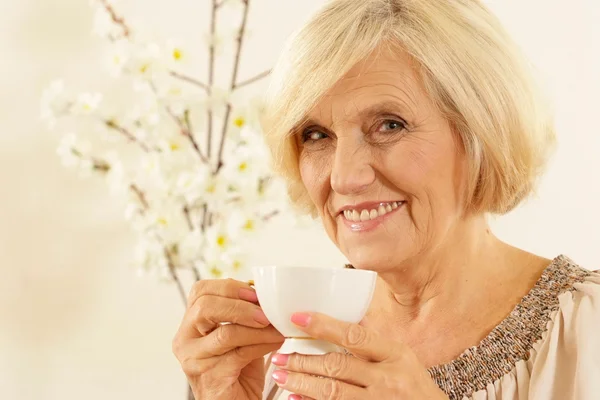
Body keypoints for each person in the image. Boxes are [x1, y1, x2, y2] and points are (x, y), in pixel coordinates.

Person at [172, 0, 600, 399]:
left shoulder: (588, 329)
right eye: (316, 135)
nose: (344, 176)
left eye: (389, 125)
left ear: (481, 134)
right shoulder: (286, 348)